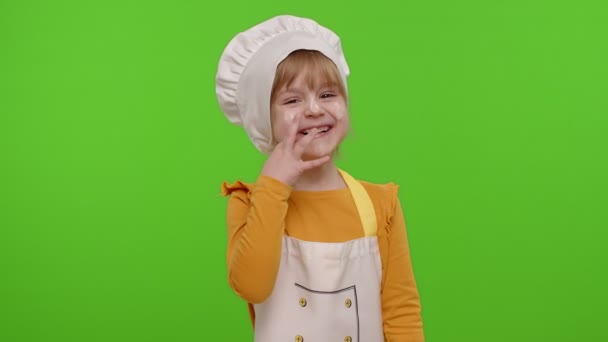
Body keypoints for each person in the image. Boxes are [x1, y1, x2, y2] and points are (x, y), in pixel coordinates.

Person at [215, 15, 424, 342]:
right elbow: (252, 285)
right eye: (292, 100)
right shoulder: (250, 202)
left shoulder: (380, 206)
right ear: (263, 120)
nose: (314, 109)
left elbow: (401, 311)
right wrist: (273, 185)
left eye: (328, 94)